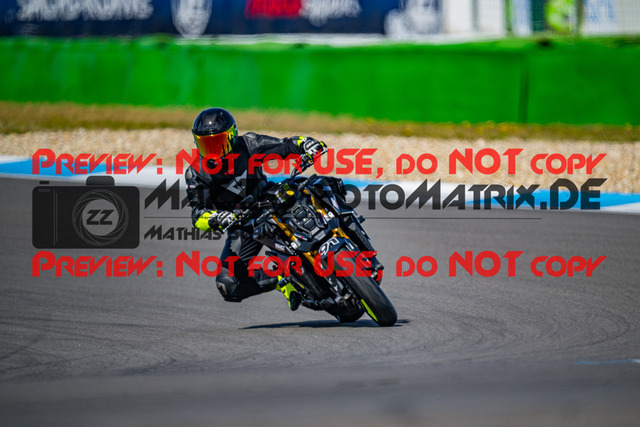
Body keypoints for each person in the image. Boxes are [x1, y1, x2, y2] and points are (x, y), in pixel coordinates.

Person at [185, 107, 326, 310]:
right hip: (242, 223)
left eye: (218, 142)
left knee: (317, 187)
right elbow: (198, 215)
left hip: (273, 202)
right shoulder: (196, 173)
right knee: (228, 284)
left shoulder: (248, 144)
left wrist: (305, 143)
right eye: (206, 144)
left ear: (232, 136)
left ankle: (347, 228)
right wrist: (217, 218)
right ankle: (280, 279)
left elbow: (285, 145)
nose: (213, 150)